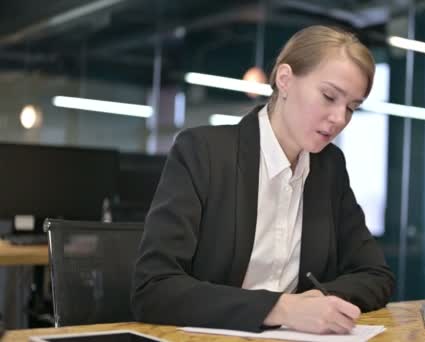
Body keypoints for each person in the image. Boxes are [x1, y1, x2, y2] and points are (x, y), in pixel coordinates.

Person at [131, 25, 395, 334]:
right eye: (329, 96)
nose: (340, 118)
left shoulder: (329, 168)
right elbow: (153, 288)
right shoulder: (203, 153)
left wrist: (318, 302)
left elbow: (377, 275)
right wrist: (281, 307)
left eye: (351, 107)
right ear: (284, 80)